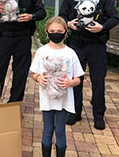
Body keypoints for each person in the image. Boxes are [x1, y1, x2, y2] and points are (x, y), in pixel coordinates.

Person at [59, 0, 119, 130]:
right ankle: (74, 112)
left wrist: (103, 27)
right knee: (75, 80)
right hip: (76, 45)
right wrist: (68, 23)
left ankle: (98, 115)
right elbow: (62, 15)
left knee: (98, 81)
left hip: (96, 45)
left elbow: (115, 18)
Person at [30, 16, 84, 157]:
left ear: (66, 32)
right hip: (47, 99)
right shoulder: (42, 52)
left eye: (59, 31)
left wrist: (70, 83)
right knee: (47, 129)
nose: (56, 33)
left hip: (64, 100)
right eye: (52, 30)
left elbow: (78, 78)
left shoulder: (70, 53)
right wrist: (39, 78)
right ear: (47, 32)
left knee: (60, 130)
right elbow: (34, 74)